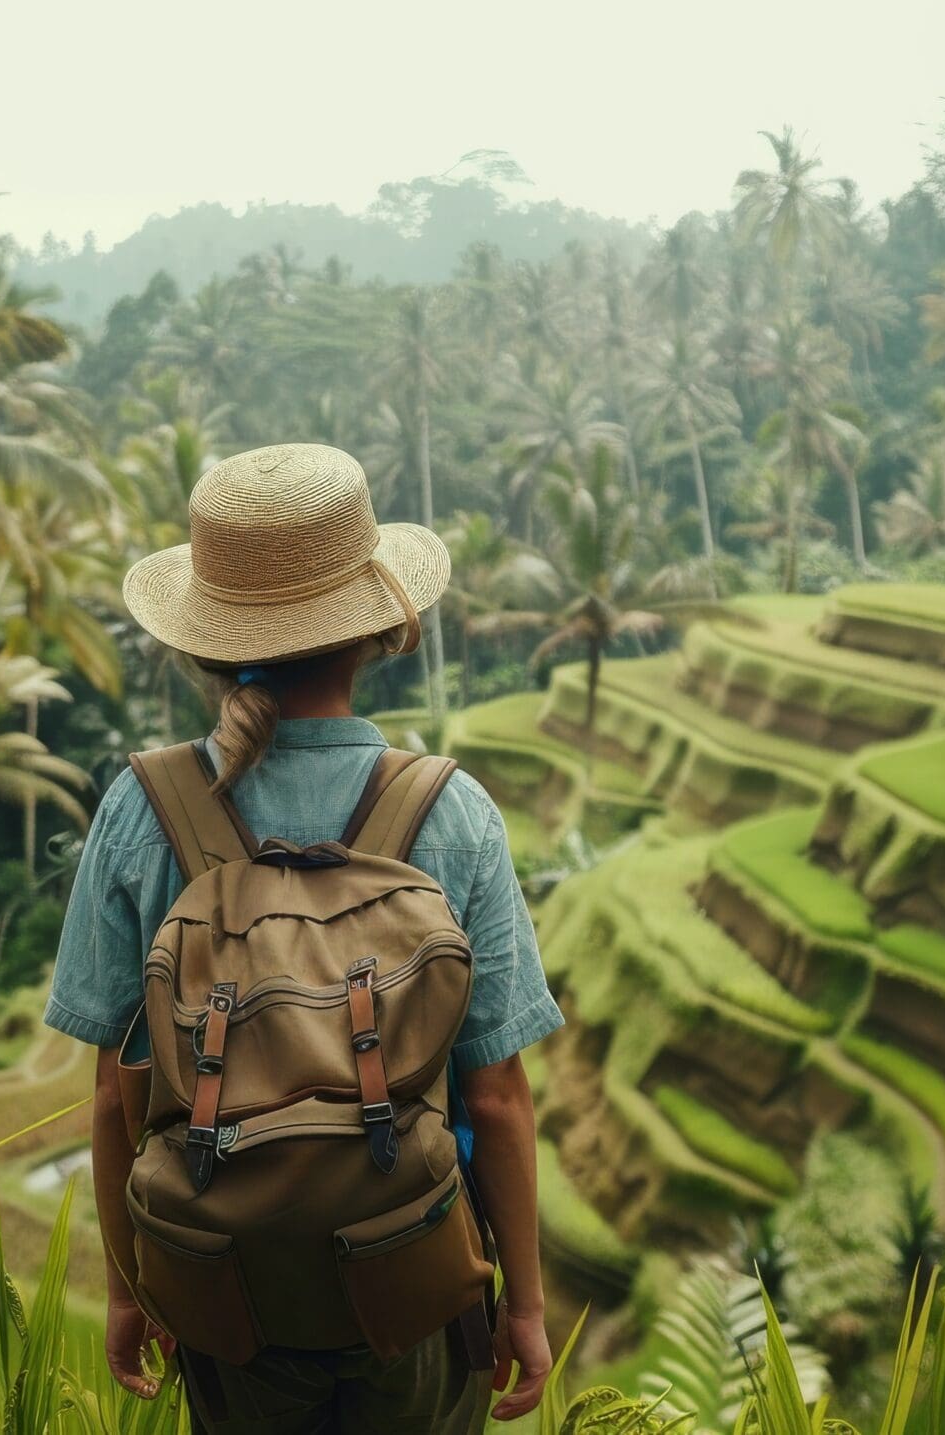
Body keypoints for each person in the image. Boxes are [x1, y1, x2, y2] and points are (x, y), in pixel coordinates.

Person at [46, 442, 562, 1431]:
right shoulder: (447, 813)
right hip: (417, 1285)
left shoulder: (142, 807)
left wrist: (127, 1289)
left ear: (205, 637)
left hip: (221, 1288)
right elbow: (494, 1095)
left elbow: (116, 1089)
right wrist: (526, 1305)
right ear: (374, 631)